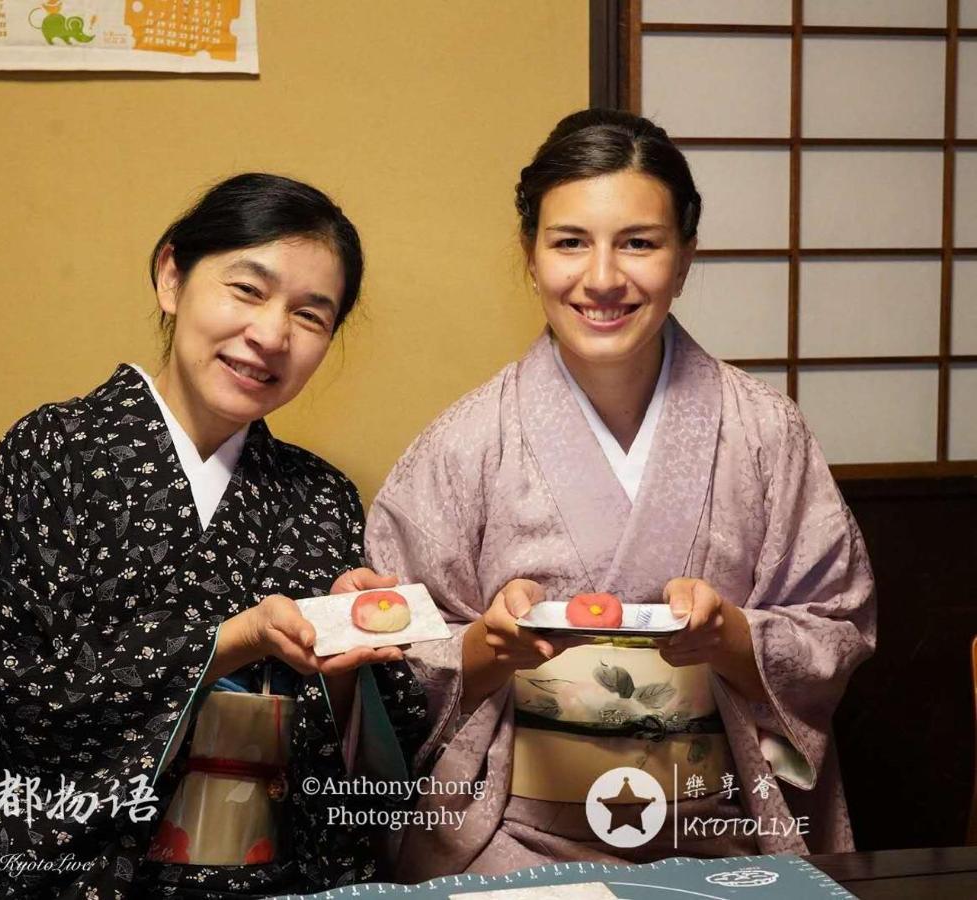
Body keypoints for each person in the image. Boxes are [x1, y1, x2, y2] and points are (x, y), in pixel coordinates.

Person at [365, 109, 876, 880]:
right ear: (529, 257)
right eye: (569, 242)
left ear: (684, 257)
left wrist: (730, 638)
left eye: (638, 242)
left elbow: (834, 625)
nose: (602, 278)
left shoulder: (767, 433)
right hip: (511, 836)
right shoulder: (462, 444)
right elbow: (390, 658)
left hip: (723, 821)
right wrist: (485, 650)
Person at [0, 173, 427, 899]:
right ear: (171, 277)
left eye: (311, 316)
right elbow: (11, 697)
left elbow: (362, 761)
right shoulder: (52, 449)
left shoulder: (320, 496)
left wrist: (341, 663)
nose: (271, 334)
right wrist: (228, 642)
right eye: (247, 290)